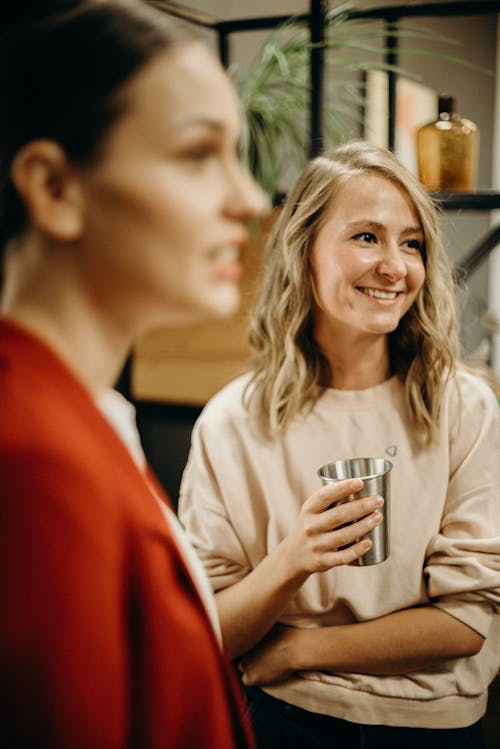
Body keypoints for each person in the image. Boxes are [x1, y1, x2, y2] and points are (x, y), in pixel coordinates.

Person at [0, 1, 271, 746]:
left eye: (238, 154)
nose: (247, 199)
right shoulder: (32, 459)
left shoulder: (80, 413)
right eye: (195, 154)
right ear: (55, 188)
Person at [179, 140, 500, 749]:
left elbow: (467, 622)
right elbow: (208, 633)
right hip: (283, 721)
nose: (395, 266)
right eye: (366, 237)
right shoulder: (231, 422)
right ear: (304, 254)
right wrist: (293, 558)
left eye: (411, 243)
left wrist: (304, 647)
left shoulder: (464, 407)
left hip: (434, 729)